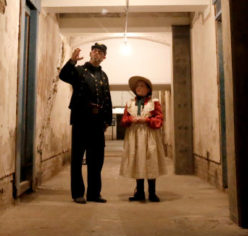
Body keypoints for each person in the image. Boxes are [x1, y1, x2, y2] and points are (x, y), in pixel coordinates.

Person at [58, 43, 112, 204]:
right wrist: (72, 61)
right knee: (77, 158)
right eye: (95, 51)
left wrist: (107, 120)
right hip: (81, 120)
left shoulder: (103, 76)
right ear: (90, 53)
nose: (97, 54)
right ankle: (78, 193)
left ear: (104, 57)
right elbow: (64, 76)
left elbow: (107, 98)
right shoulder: (79, 71)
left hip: (97, 123)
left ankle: (94, 193)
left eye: (101, 52)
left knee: (96, 159)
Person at [120, 75, 167, 202]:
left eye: (142, 86)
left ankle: (152, 193)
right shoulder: (130, 103)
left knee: (150, 160)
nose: (139, 88)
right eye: (137, 86)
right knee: (137, 161)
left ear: (148, 89)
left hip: (149, 136)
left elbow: (159, 120)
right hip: (134, 137)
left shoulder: (154, 102)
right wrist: (131, 119)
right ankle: (139, 192)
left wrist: (146, 119)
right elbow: (124, 120)